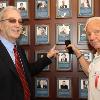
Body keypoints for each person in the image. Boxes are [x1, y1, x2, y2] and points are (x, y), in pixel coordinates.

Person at [0, 6, 58, 100]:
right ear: (1, 25)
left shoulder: (19, 50)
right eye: (12, 20)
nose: (17, 25)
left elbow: (26, 72)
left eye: (20, 21)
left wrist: (47, 57)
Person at [66, 17, 100, 100]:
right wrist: (78, 53)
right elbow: (91, 72)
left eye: (97, 32)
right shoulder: (97, 57)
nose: (91, 38)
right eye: (89, 34)